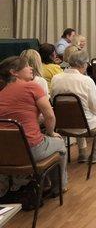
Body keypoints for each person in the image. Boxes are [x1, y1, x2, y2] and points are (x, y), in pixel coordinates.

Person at [0, 56, 68, 195]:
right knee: (60, 143)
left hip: (4, 151)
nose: (31, 68)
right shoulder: (31, 86)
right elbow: (49, 115)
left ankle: (41, 183)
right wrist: (51, 133)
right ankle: (58, 188)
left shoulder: (2, 92)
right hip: (30, 150)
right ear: (14, 72)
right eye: (26, 66)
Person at [50, 49, 96, 163]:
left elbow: (53, 101)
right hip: (84, 125)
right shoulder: (86, 81)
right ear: (83, 64)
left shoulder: (56, 78)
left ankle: (82, 152)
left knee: (79, 115)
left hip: (61, 124)